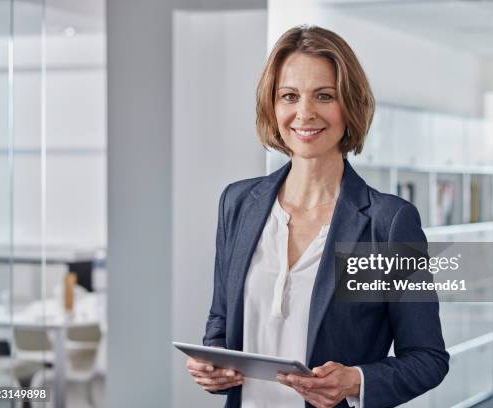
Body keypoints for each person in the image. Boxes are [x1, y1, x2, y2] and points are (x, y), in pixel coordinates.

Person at [186, 25, 449, 408]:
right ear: (272, 107)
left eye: (324, 96)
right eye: (289, 96)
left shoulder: (388, 221)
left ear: (350, 106)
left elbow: (428, 358)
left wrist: (355, 381)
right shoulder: (238, 203)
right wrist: (214, 364)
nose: (304, 113)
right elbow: (221, 321)